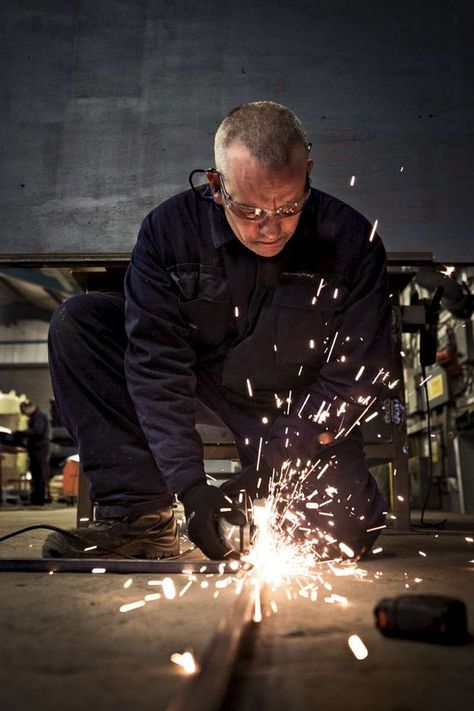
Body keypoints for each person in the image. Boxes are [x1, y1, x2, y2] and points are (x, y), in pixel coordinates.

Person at [43, 101, 391, 560]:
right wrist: (191, 488)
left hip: (293, 406)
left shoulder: (351, 241)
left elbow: (358, 375)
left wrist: (273, 466)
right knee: (80, 323)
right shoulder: (168, 233)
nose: (270, 229)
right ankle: (140, 520)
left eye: (288, 207)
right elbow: (157, 367)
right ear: (216, 185)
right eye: (249, 211)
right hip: (202, 383)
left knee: (342, 533)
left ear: (307, 171)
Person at [18, 400, 50, 506]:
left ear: (30, 407)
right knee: (36, 474)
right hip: (36, 449)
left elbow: (38, 431)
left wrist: (22, 433)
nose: (25, 413)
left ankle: (38, 500)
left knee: (39, 474)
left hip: (39, 449)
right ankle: (36, 499)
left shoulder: (38, 416)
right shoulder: (35, 416)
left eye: (25, 410)